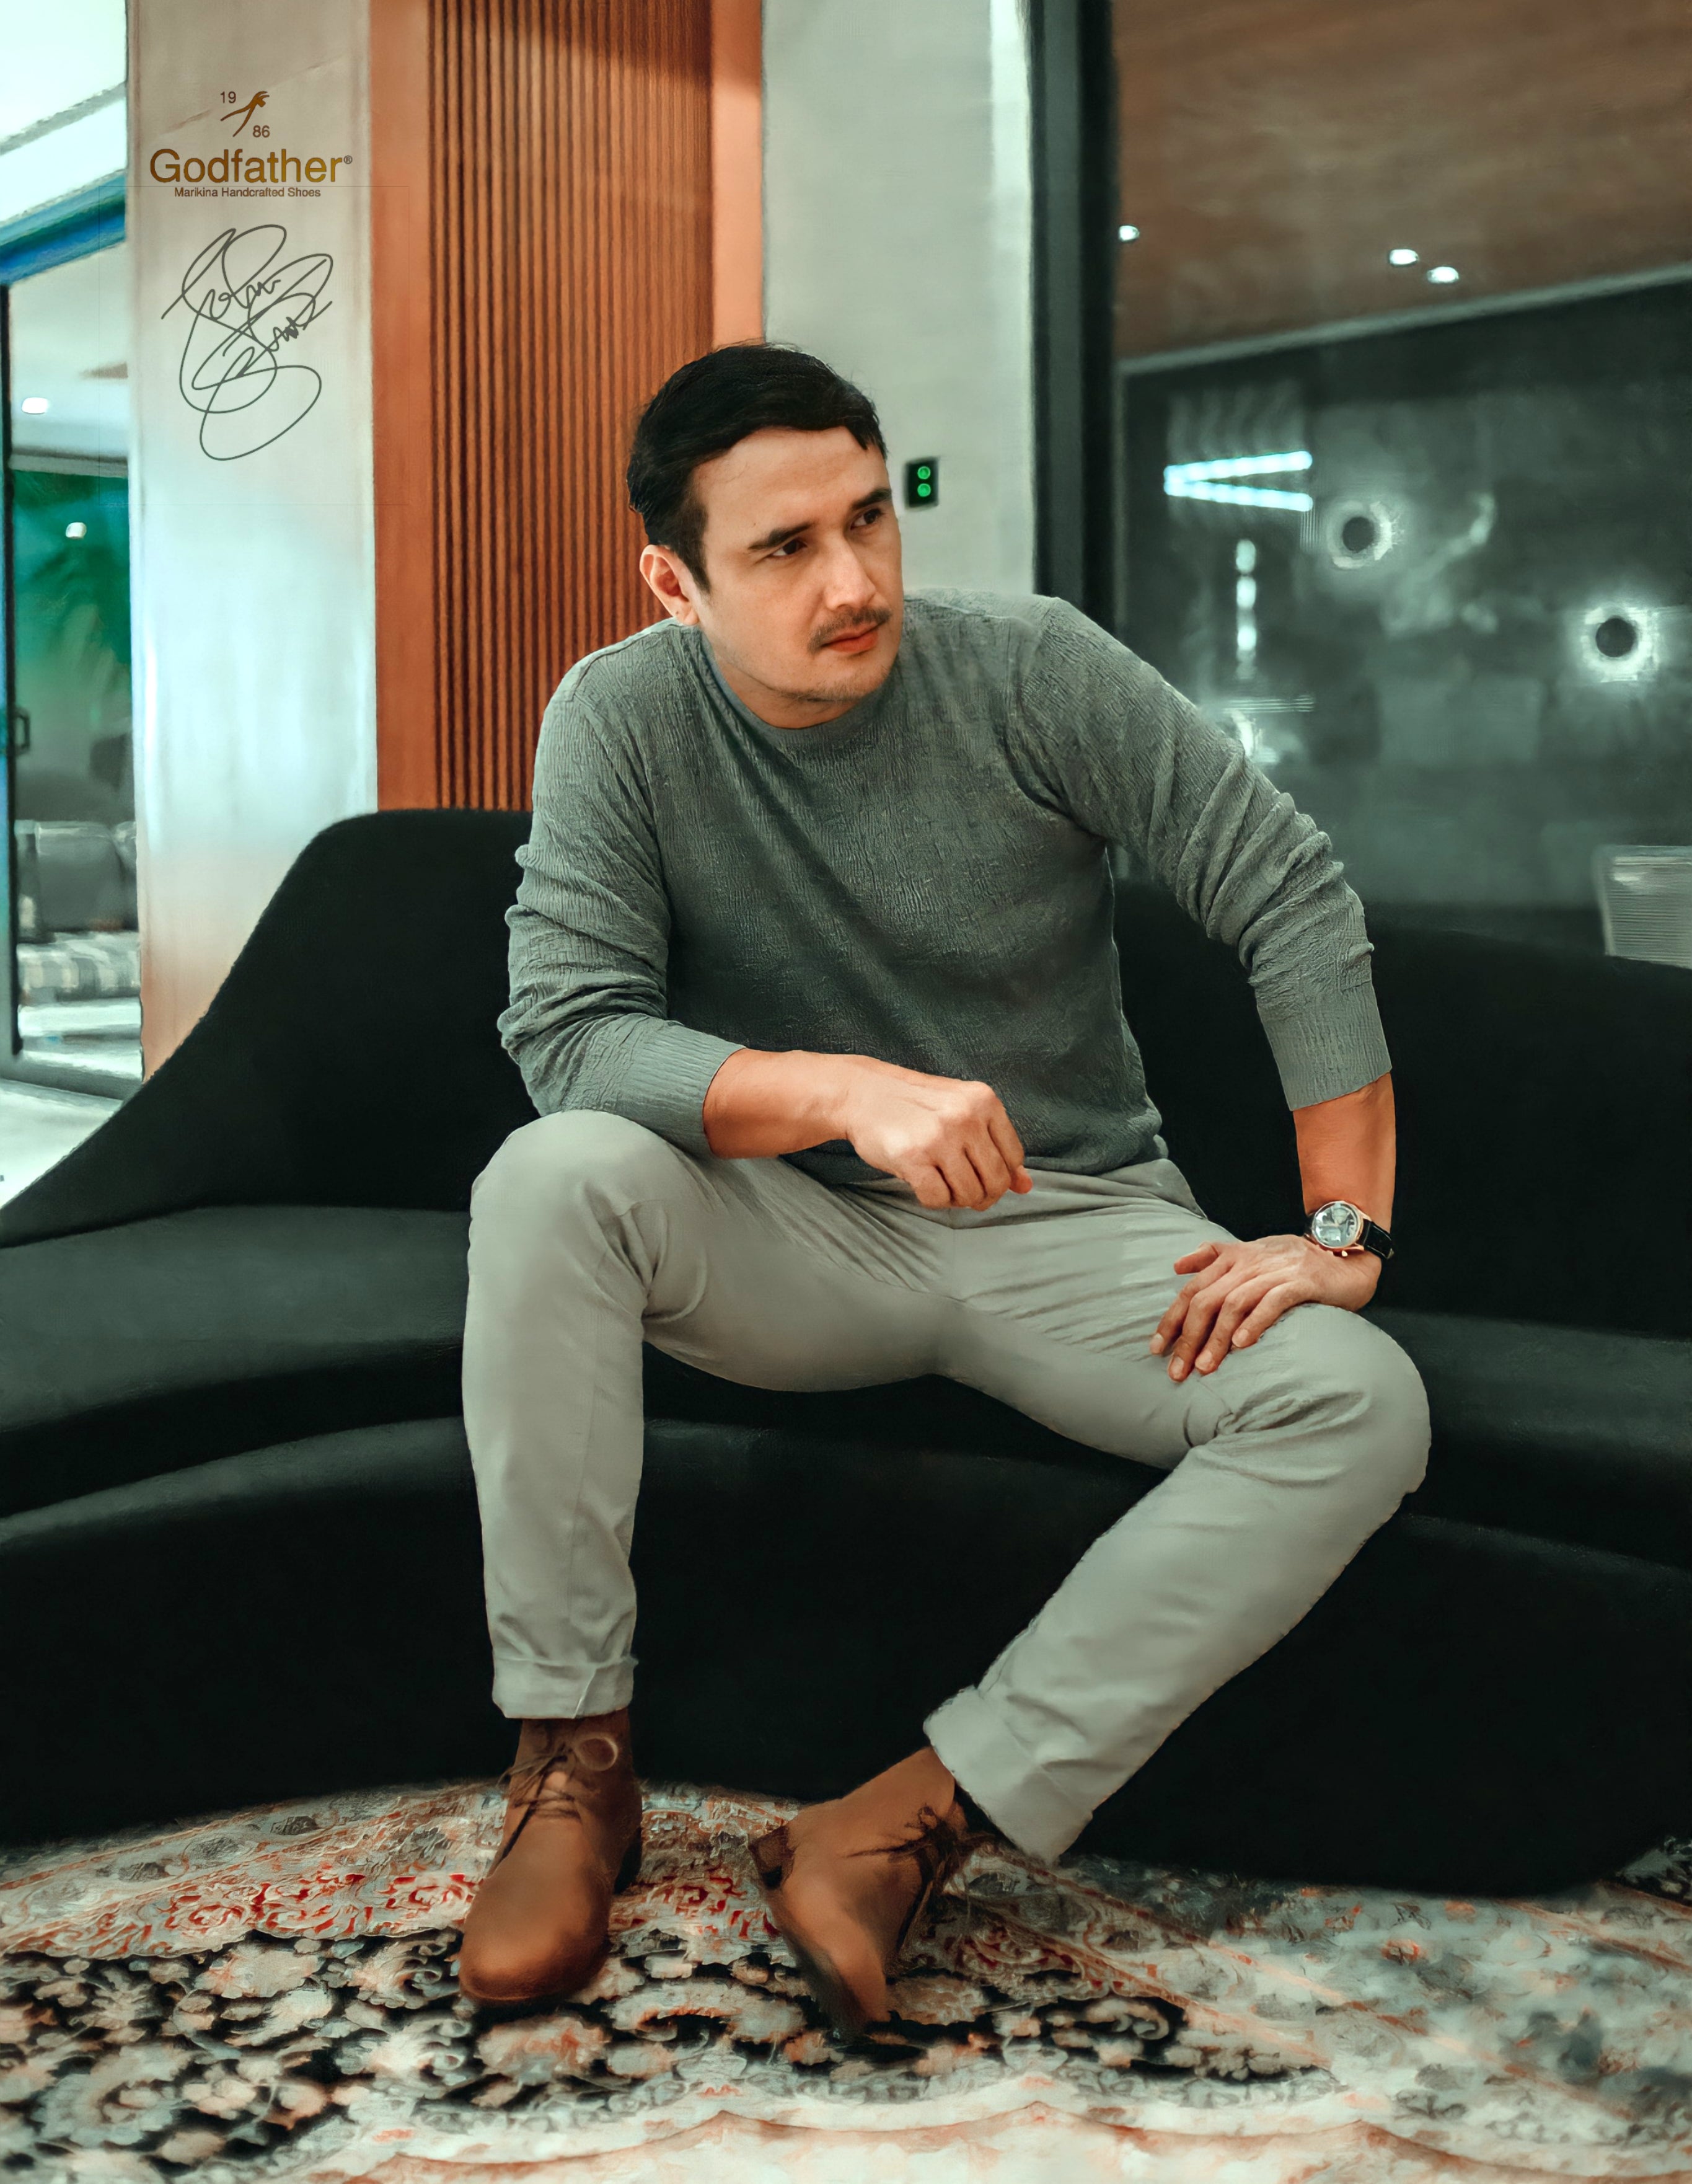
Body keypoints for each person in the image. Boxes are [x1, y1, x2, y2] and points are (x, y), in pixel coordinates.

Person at [454, 342, 1429, 2030]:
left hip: (1072, 1221)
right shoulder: (620, 714)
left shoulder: (1030, 668)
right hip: (797, 1236)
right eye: (783, 548)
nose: (852, 582)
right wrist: (845, 1089)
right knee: (552, 1178)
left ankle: (906, 1824)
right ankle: (572, 1765)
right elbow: (571, 1033)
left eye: (867, 518)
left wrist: (1340, 1233)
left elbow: (1288, 891)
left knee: (1358, 1399)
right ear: (674, 583)